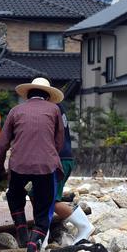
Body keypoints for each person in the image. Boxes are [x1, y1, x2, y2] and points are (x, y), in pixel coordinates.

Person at [0, 77, 64, 252]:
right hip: (45, 166)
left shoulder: (16, 111)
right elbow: (59, 143)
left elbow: (1, 144)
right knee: (43, 208)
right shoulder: (55, 110)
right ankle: (32, 251)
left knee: (14, 196)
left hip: (19, 165)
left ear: (28, 95)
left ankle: (21, 228)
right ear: (47, 96)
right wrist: (47, 155)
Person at [50, 102, 94, 244]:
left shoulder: (49, 109)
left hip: (57, 160)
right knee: (43, 198)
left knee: (48, 199)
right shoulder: (58, 107)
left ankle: (85, 226)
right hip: (63, 158)